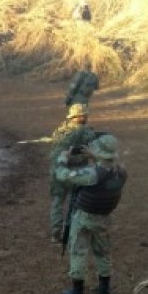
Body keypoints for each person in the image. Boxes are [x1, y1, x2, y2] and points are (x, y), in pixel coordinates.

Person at [54, 134, 127, 294]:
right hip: (105, 217)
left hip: (85, 216)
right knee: (102, 251)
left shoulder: (92, 174)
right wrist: (95, 156)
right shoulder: (122, 172)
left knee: (78, 251)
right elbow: (108, 167)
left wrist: (62, 158)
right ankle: (104, 287)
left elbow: (63, 175)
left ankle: (77, 290)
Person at [48, 103, 97, 242]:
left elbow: (55, 151)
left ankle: (55, 234)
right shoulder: (87, 132)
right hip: (76, 172)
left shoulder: (61, 130)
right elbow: (93, 149)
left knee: (57, 202)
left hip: (57, 170)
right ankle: (73, 232)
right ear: (82, 116)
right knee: (76, 203)